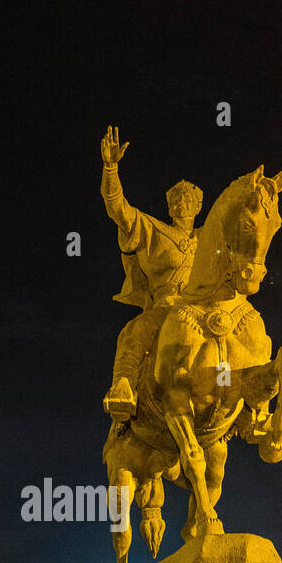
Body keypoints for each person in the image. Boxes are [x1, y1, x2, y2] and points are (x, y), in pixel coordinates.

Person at [100, 125, 203, 421]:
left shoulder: (208, 239)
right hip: (166, 307)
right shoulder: (152, 230)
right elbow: (117, 208)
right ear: (169, 205)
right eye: (176, 200)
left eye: (187, 200)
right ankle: (124, 385)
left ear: (198, 207)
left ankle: (253, 408)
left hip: (202, 308)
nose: (181, 204)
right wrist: (111, 167)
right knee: (133, 331)